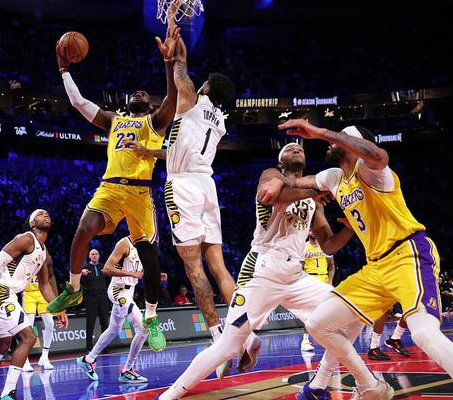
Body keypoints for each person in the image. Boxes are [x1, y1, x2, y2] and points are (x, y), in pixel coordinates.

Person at [157, 141, 358, 400]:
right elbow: (269, 194)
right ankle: (171, 394)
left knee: (353, 313)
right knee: (228, 346)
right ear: (280, 161)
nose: (297, 150)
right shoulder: (271, 175)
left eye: (300, 149)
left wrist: (350, 228)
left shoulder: (313, 200)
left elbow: (328, 245)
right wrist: (313, 191)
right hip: (262, 270)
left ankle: (318, 383)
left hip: (295, 276)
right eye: (290, 149)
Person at [267, 120, 451, 400]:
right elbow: (294, 183)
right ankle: (371, 386)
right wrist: (272, 177)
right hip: (375, 268)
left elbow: (379, 155)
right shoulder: (333, 177)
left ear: (353, 144)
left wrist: (321, 133)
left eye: (340, 137)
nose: (332, 142)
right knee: (317, 323)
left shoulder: (372, 171)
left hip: (407, 253)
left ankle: (328, 383)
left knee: (423, 333)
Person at [46, 15, 182, 353]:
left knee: (150, 258)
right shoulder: (114, 120)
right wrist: (64, 70)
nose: (139, 92)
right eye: (135, 92)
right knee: (83, 229)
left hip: (139, 192)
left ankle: (151, 316)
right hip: (109, 187)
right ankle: (73, 287)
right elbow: (78, 103)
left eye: (144, 94)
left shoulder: (155, 123)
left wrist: (169, 64)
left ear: (150, 105)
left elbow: (173, 98)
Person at [123, 14, 237, 378]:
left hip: (183, 186)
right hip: (207, 184)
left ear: (206, 87)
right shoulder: (219, 120)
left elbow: (180, 70)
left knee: (193, 266)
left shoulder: (190, 98)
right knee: (218, 264)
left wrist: (174, 41)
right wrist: (148, 152)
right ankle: (242, 330)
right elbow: (178, 149)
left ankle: (219, 340)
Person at [0, 209, 68, 400]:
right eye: (40, 214)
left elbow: (45, 285)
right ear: (32, 223)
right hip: (0, 291)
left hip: (8, 293)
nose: (46, 215)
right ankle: (8, 393)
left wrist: (58, 308)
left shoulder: (43, 252)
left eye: (47, 214)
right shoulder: (26, 239)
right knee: (29, 338)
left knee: (3, 343)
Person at [76, 237, 148, 383]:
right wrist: (131, 274)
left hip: (129, 291)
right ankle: (127, 370)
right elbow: (107, 269)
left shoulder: (145, 246)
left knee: (114, 330)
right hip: (118, 291)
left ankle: (88, 359)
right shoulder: (124, 244)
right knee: (142, 329)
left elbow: (140, 271)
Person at [300, 232, 335, 351]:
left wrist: (330, 281)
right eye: (310, 230)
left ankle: (329, 338)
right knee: (310, 313)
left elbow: (331, 266)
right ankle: (305, 340)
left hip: (324, 280)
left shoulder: (325, 246)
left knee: (329, 311)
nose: (313, 232)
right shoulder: (304, 247)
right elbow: (300, 268)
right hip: (310, 280)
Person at [22, 271, 56, 370]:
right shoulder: (22, 262)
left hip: (43, 291)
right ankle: (25, 360)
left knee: (50, 324)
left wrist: (55, 296)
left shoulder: (43, 262)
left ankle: (45, 357)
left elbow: (51, 276)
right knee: (28, 327)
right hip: (28, 293)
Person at [81, 249, 109, 351]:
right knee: (90, 322)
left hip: (103, 296)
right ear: (89, 256)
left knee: (104, 322)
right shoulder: (84, 268)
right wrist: (81, 273)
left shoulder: (104, 267)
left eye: (96, 254)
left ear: (99, 256)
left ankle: (104, 347)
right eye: (92, 254)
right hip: (90, 297)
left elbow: (111, 278)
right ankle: (89, 347)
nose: (94, 256)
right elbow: (75, 278)